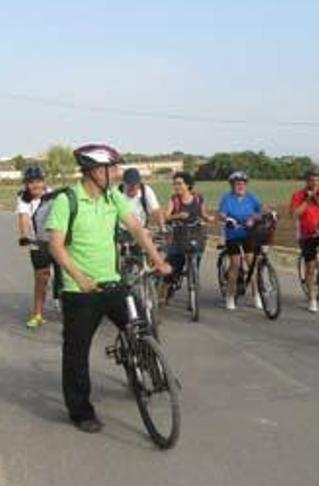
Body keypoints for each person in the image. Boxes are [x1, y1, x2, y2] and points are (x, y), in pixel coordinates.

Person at [47, 144, 171, 434]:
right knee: (76, 352)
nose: (116, 174)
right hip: (80, 292)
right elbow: (55, 245)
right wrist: (78, 277)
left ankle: (153, 374)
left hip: (113, 283)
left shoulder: (112, 196)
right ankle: (80, 411)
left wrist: (157, 259)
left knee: (141, 325)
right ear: (94, 171)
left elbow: (137, 228)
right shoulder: (68, 200)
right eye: (111, 168)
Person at [161, 171, 214, 303]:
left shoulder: (197, 198)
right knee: (173, 264)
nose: (176, 186)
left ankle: (193, 278)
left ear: (188, 185)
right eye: (174, 184)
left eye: (179, 184)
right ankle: (163, 293)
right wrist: (177, 216)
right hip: (179, 234)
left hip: (195, 233)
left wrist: (208, 218)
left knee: (197, 255)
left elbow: (203, 213)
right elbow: (166, 216)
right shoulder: (174, 200)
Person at [289, 165, 319, 313]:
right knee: (310, 267)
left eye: (317, 180)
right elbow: (294, 214)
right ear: (306, 181)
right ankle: (313, 299)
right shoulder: (298, 195)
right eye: (311, 180)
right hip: (307, 234)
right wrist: (307, 201)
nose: (315, 183)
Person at [16, 165, 56, 329]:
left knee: (69, 275)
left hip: (55, 240)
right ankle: (37, 314)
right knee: (41, 277)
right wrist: (25, 236)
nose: (35, 185)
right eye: (31, 182)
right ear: (26, 184)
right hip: (37, 242)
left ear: (44, 182)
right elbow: (24, 217)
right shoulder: (23, 198)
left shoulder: (53, 196)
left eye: (38, 181)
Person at [218, 171, 265, 311]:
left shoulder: (251, 197)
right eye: (237, 184)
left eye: (243, 183)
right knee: (235, 264)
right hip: (233, 234)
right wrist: (227, 219)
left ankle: (256, 295)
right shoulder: (227, 198)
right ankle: (230, 296)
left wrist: (255, 217)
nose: (240, 186)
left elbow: (261, 209)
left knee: (252, 264)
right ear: (232, 185)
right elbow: (221, 214)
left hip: (248, 234)